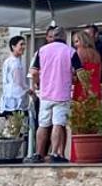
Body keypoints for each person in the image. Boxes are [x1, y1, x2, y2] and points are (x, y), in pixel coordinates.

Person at [31, 25, 74, 163]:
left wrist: (38, 84)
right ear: (65, 37)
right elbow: (79, 71)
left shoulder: (41, 51)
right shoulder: (70, 51)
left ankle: (38, 153)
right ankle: (55, 153)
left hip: (45, 94)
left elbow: (33, 72)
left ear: (53, 37)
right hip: (61, 93)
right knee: (58, 124)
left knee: (43, 124)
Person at [0, 35, 28, 115]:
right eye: (21, 44)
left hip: (8, 95)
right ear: (13, 47)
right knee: (16, 124)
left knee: (11, 123)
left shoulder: (8, 61)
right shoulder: (15, 62)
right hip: (16, 97)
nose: (23, 47)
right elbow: (18, 81)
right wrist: (28, 90)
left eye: (24, 44)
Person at [72, 29, 102, 99]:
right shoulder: (96, 54)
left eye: (77, 41)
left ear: (83, 40)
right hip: (96, 85)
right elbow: (99, 72)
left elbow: (76, 70)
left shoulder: (79, 52)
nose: (75, 45)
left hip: (83, 86)